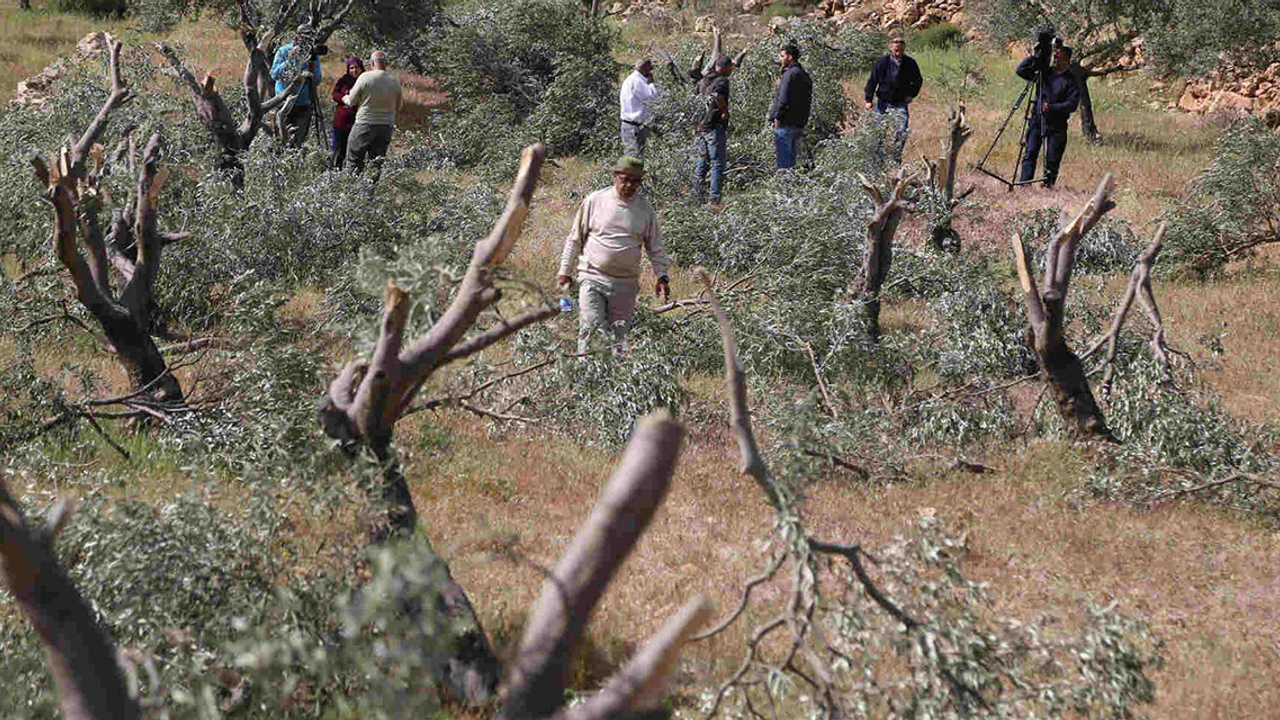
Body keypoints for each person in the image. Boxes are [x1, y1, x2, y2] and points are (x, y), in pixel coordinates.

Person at [558, 157, 672, 354]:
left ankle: (613, 381)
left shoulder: (645, 209)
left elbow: (655, 246)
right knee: (591, 330)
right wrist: (564, 271)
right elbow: (574, 239)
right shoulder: (595, 201)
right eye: (625, 179)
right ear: (615, 177)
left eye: (635, 181)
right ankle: (586, 380)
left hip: (625, 284)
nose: (629, 185)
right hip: (592, 277)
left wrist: (662, 275)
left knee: (619, 339)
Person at [1015, 42, 1080, 189]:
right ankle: (1025, 184)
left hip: (1057, 125)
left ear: (1067, 60)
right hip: (1037, 121)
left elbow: (1072, 105)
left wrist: (1052, 108)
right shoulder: (1045, 73)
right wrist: (1034, 57)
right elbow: (1021, 71)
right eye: (1055, 57)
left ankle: (1047, 186)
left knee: (1052, 158)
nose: (1056, 61)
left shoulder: (1071, 80)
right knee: (1030, 153)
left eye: (1060, 58)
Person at [343, 50, 404, 174]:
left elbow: (352, 101)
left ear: (371, 63)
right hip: (386, 126)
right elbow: (400, 106)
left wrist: (344, 98)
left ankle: (351, 190)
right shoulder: (394, 81)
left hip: (365, 123)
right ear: (386, 63)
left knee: (353, 161)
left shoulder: (365, 77)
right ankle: (371, 191)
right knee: (376, 164)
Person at [863, 36, 922, 164]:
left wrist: (911, 95)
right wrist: (868, 99)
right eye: (895, 50)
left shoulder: (910, 63)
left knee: (902, 130)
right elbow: (872, 81)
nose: (898, 53)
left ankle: (896, 158)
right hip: (883, 102)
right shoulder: (882, 62)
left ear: (904, 49)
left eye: (900, 50)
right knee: (879, 131)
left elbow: (918, 81)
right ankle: (878, 160)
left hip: (900, 103)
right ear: (891, 49)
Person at [271, 25, 323, 148]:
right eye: (305, 36)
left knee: (297, 143)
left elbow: (318, 80)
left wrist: (314, 65)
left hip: (304, 105)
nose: (308, 40)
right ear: (298, 36)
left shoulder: (311, 54)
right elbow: (274, 75)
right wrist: (290, 60)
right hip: (284, 103)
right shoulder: (284, 51)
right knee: (281, 141)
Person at [692, 55, 733, 204]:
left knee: (702, 161)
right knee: (717, 163)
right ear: (725, 68)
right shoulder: (722, 81)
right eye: (730, 68)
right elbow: (719, 96)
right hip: (713, 126)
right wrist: (725, 111)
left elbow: (694, 98)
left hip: (699, 127)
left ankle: (697, 197)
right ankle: (714, 199)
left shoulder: (703, 80)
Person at [768, 42, 812, 170]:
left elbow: (782, 99)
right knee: (791, 162)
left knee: (783, 164)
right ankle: (791, 188)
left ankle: (784, 188)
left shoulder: (789, 75)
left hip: (785, 124)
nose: (780, 59)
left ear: (790, 57)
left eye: (782, 56)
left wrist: (775, 117)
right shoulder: (805, 75)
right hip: (799, 124)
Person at [620, 58, 660, 158]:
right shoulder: (637, 81)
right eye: (650, 69)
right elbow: (652, 98)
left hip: (631, 126)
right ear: (644, 69)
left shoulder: (631, 79)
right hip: (634, 127)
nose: (651, 72)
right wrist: (651, 83)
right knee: (634, 158)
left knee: (634, 157)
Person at [330, 56, 364, 170]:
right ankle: (335, 171)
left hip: (358, 121)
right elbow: (334, 94)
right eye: (351, 68)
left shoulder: (365, 80)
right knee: (339, 149)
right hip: (341, 121)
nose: (354, 70)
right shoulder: (343, 80)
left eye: (357, 68)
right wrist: (344, 98)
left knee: (355, 151)